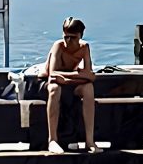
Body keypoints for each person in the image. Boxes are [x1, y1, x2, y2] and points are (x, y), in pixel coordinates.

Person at [40, 17, 100, 153]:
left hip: (68, 82)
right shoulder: (58, 46)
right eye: (66, 37)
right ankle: (53, 140)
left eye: (73, 38)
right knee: (55, 88)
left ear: (80, 36)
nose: (68, 41)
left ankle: (90, 141)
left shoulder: (84, 47)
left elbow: (89, 74)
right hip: (49, 82)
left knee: (88, 88)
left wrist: (68, 79)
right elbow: (53, 73)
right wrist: (80, 75)